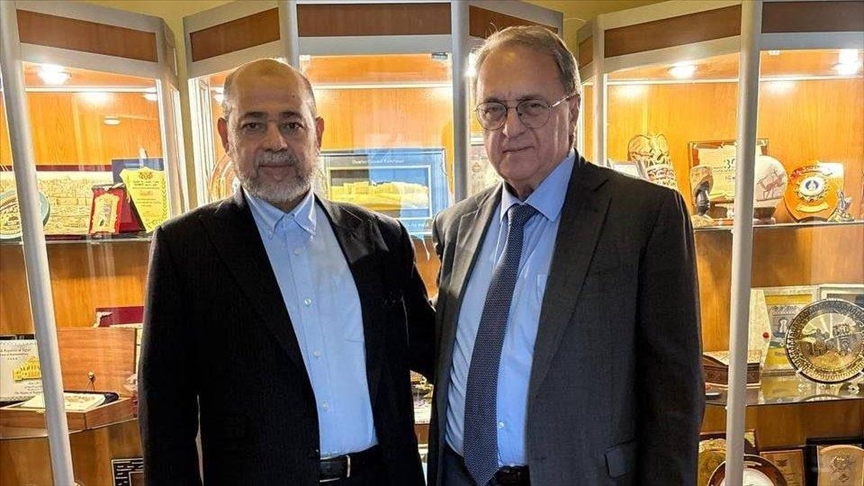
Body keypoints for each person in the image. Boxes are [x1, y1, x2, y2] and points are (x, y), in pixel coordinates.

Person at [428, 26, 704, 486]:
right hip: (459, 474)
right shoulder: (458, 224)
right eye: (493, 109)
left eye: (532, 106)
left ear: (572, 109)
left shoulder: (643, 216)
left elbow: (674, 394)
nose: (510, 128)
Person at [139, 59, 435, 485]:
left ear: (318, 133)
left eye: (292, 124)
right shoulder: (185, 247)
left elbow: (436, 353)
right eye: (253, 125)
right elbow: (165, 411)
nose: (275, 142)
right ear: (226, 135)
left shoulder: (381, 239)